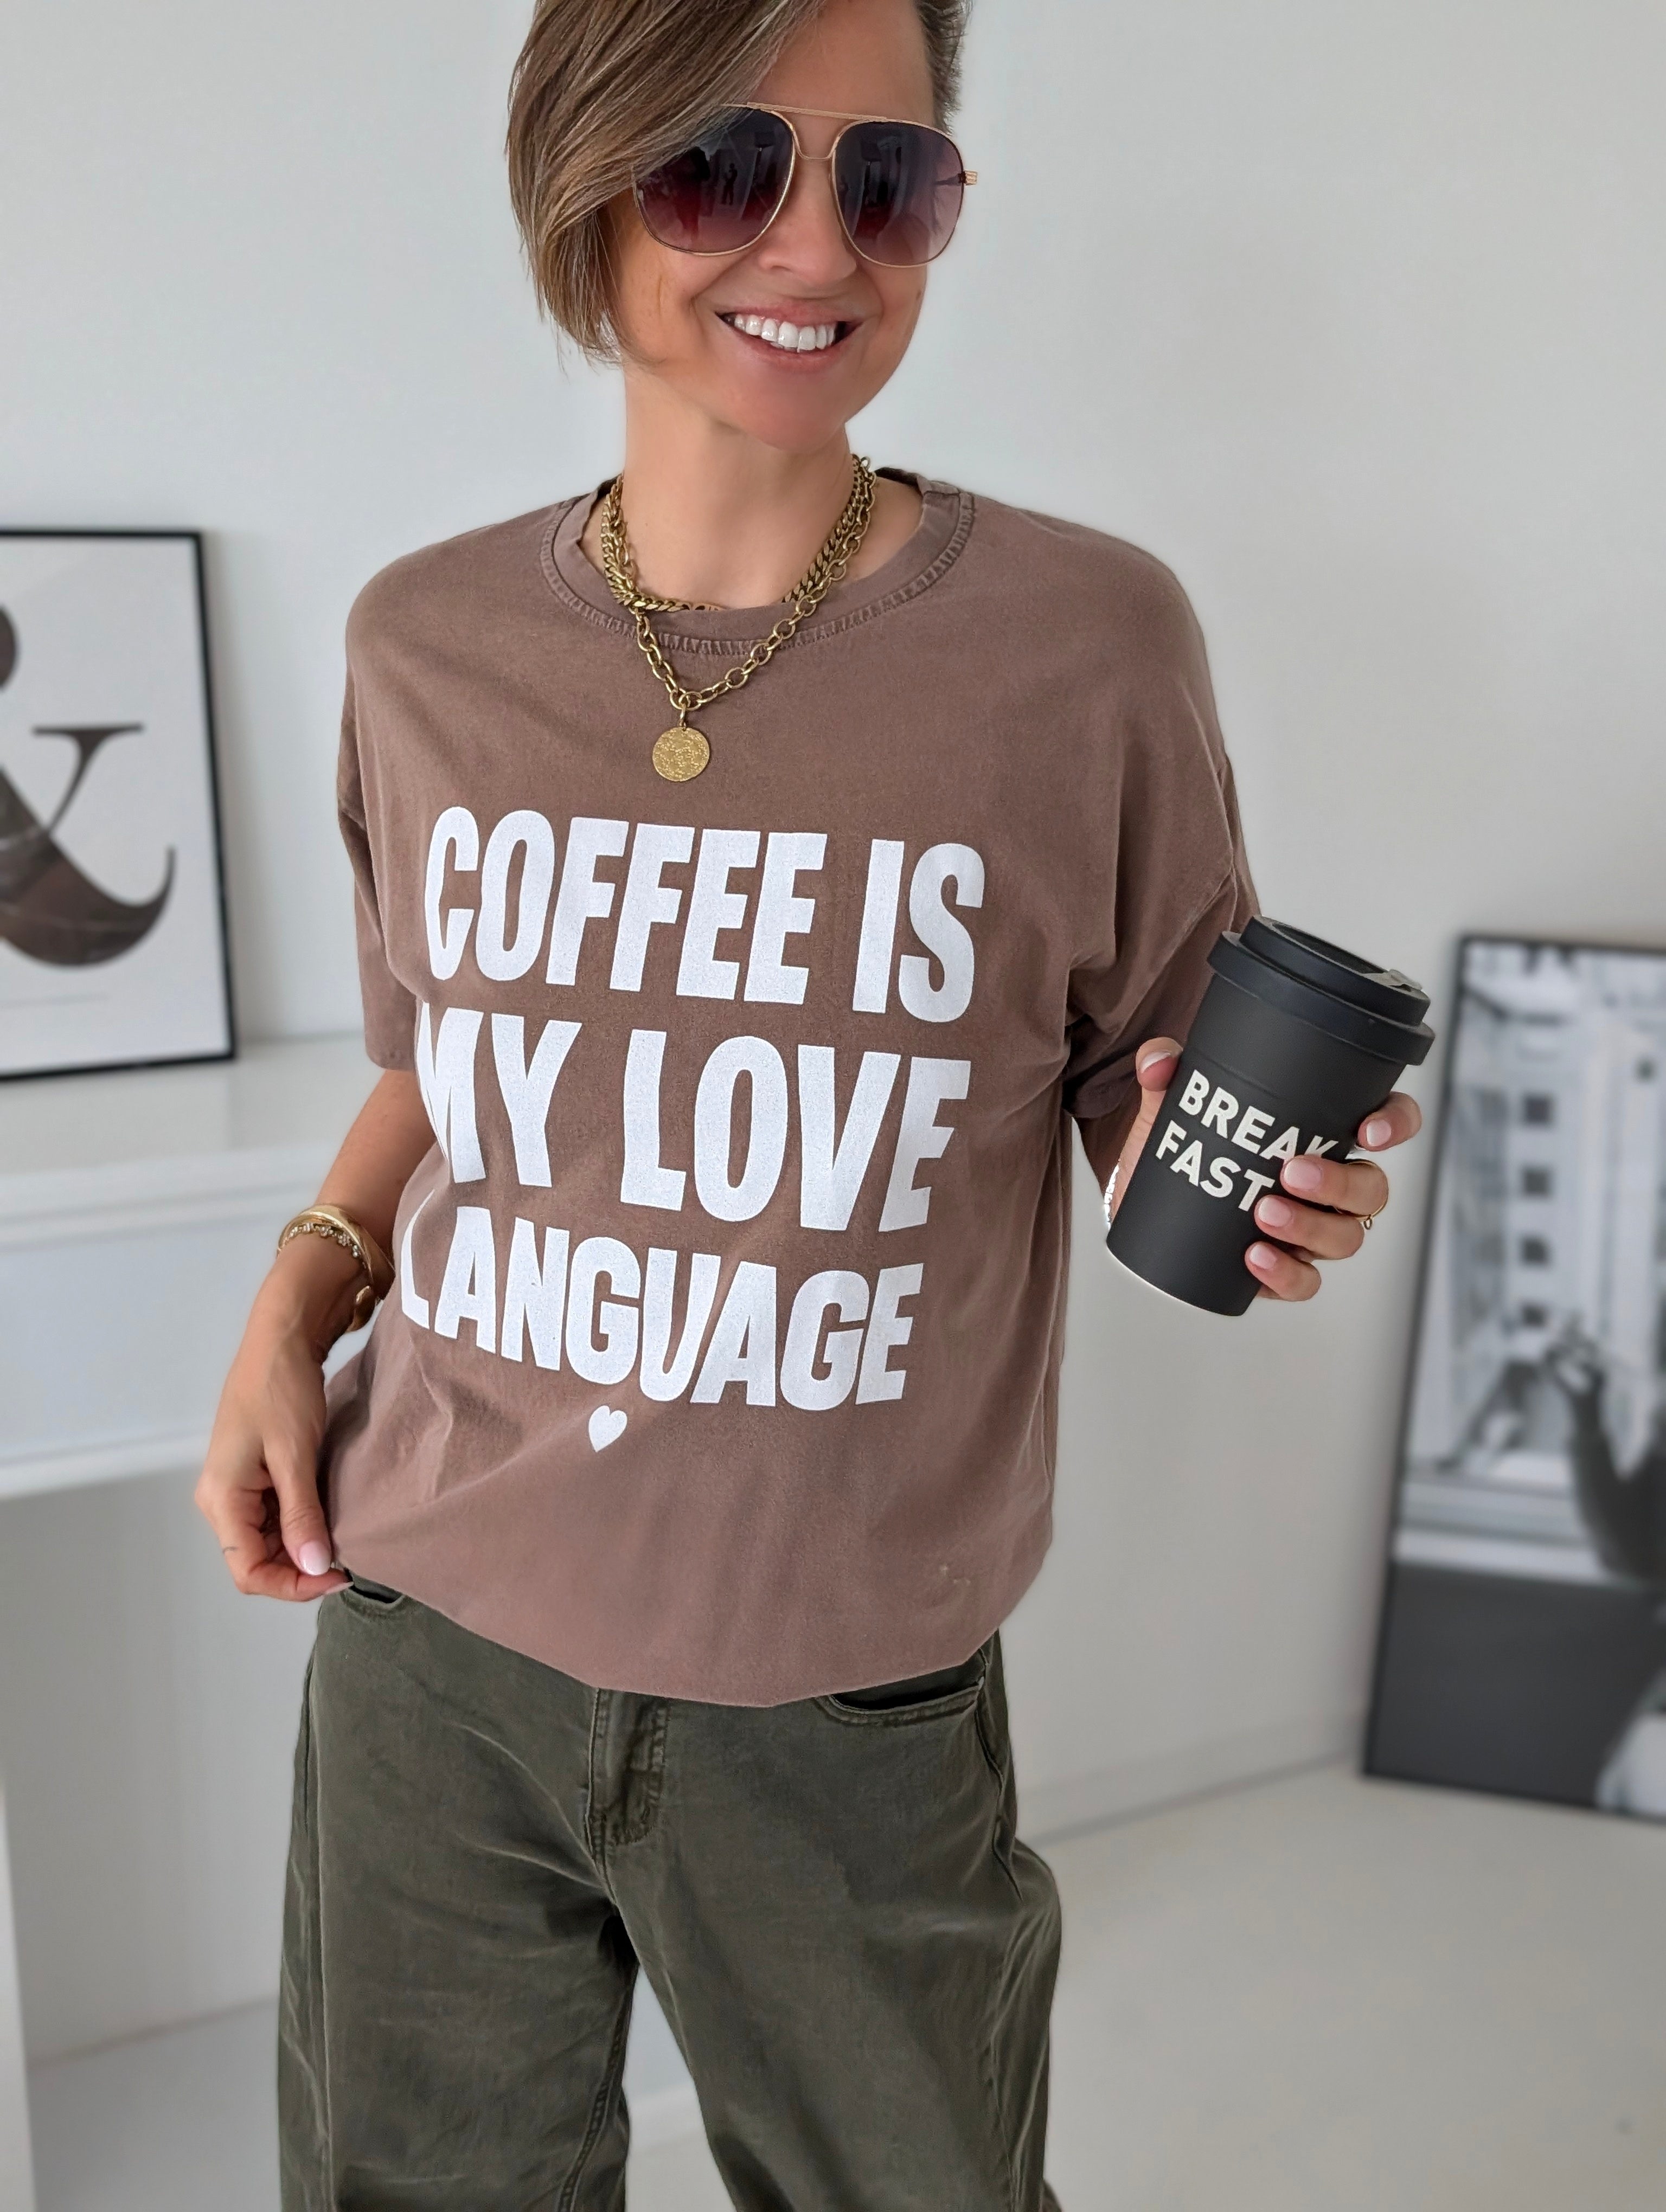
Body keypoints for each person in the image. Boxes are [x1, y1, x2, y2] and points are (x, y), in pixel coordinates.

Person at [196, 1, 1420, 2202]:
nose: (816, 245)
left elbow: (1148, 1089)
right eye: (721, 168)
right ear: (585, 183)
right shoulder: (422, 645)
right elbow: (446, 1068)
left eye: (890, 178)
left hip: (846, 1693)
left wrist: (1245, 1179)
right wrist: (301, 1293)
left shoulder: (1089, 649)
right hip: (429, 1640)